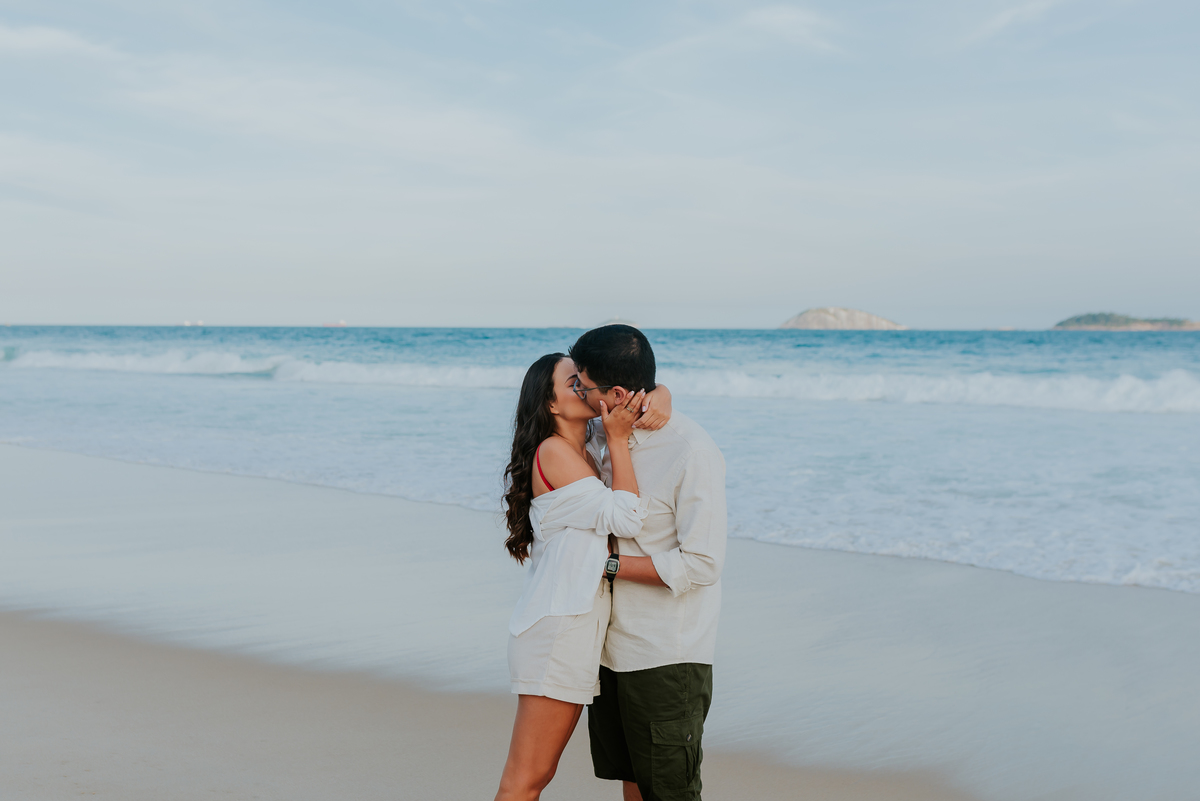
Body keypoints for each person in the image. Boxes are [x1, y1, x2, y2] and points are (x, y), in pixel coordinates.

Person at [494, 352, 673, 801]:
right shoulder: (554, 451)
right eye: (573, 382)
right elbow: (627, 517)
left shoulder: (585, 440)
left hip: (571, 627)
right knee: (527, 779)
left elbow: (643, 393)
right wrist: (619, 439)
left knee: (535, 777)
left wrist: (663, 394)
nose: (584, 387)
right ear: (551, 404)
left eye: (585, 381)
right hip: (557, 633)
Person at [571, 325, 727, 801]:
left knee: (671, 793)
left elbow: (701, 563)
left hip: (665, 658)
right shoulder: (597, 435)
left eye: (583, 384)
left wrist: (606, 565)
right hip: (609, 650)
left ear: (616, 393)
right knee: (634, 784)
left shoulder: (690, 451)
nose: (577, 390)